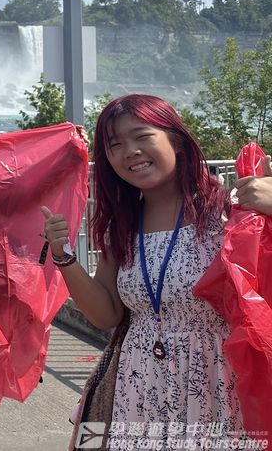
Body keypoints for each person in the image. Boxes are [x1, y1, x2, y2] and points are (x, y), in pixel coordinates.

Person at [42, 94, 267, 443]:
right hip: (138, 383)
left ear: (175, 139)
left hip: (217, 380)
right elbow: (106, 315)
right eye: (115, 145)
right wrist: (63, 256)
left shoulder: (229, 213)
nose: (130, 151)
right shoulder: (120, 225)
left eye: (142, 136)